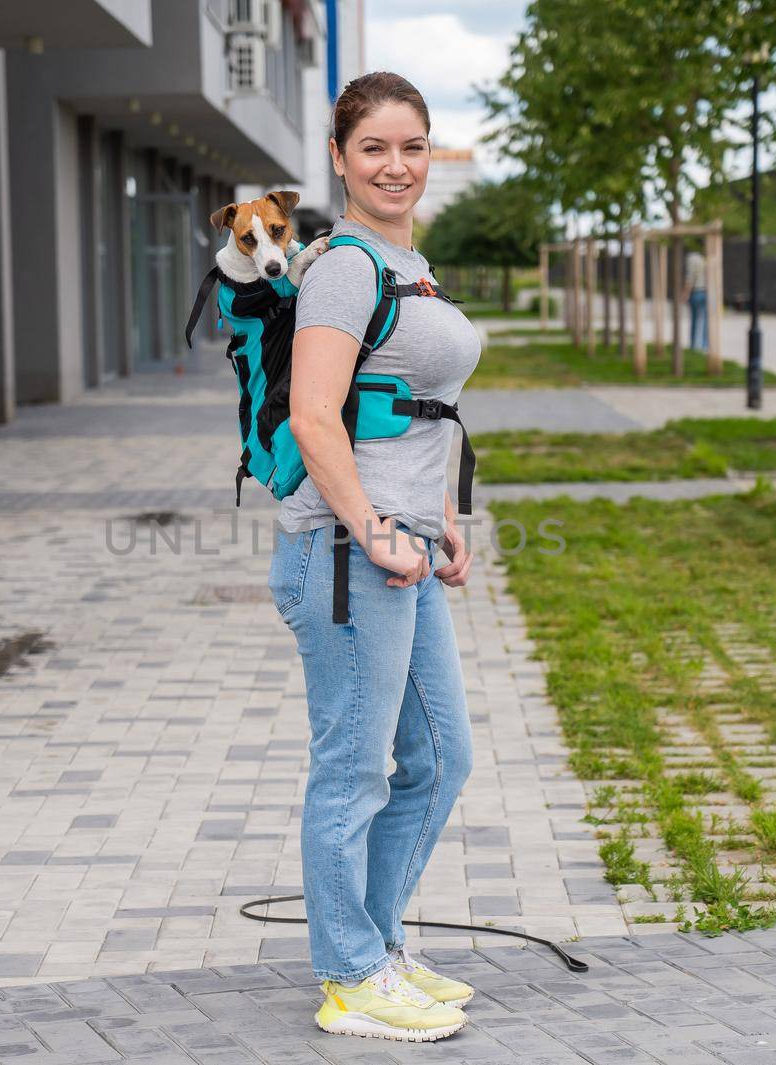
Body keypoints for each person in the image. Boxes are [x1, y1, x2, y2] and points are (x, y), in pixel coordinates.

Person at [269, 71, 480, 1043]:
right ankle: (351, 976)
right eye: (374, 149)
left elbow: (399, 410)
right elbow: (314, 416)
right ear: (339, 158)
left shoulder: (407, 264)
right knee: (353, 771)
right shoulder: (345, 268)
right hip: (350, 559)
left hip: (400, 550)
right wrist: (373, 529)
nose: (396, 166)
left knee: (439, 759)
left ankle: (381, 946)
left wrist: (441, 512)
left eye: (412, 146)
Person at [685, 248, 708, 352]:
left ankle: (693, 345)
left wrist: (685, 293)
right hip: (706, 292)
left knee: (694, 320)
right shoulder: (705, 259)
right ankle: (705, 345)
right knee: (705, 321)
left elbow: (690, 277)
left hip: (695, 292)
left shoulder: (691, 259)